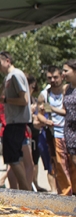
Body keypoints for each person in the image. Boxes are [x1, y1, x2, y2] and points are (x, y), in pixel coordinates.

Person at [0, 52, 32, 190]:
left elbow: (24, 100)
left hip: (16, 122)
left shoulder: (15, 75)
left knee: (13, 158)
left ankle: (26, 191)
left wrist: (2, 100)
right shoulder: (9, 77)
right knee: (13, 159)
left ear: (7, 61)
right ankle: (24, 190)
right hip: (12, 122)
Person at [38, 65, 71, 194]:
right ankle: (62, 193)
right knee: (58, 164)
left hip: (70, 132)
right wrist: (45, 120)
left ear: (61, 77)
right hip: (54, 133)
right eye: (50, 78)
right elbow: (40, 113)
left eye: (55, 77)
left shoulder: (67, 91)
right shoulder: (45, 95)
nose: (53, 80)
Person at [60, 59, 76, 193]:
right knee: (73, 164)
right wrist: (51, 109)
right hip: (70, 131)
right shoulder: (67, 88)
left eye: (66, 70)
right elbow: (65, 110)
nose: (63, 73)